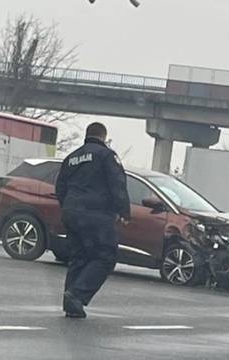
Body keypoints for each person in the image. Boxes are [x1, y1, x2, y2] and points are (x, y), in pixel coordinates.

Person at [55, 122, 131, 318]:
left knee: (79, 256)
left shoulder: (71, 158)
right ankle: (77, 295)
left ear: (87, 135)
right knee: (105, 256)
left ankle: (70, 301)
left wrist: (68, 207)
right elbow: (117, 183)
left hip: (71, 212)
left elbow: (60, 187)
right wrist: (124, 211)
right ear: (103, 137)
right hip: (96, 214)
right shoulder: (106, 156)